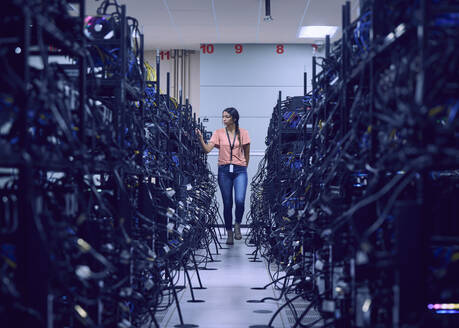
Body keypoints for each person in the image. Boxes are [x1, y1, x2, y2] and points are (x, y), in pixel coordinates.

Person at [196, 107, 250, 245]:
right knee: (227, 203)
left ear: (234, 119)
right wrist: (201, 139)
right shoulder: (218, 133)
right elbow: (207, 150)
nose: (224, 119)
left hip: (240, 170)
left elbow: (247, 152)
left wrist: (243, 166)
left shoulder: (243, 133)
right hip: (224, 170)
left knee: (239, 200)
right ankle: (229, 233)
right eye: (223, 116)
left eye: (226, 117)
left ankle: (237, 224)